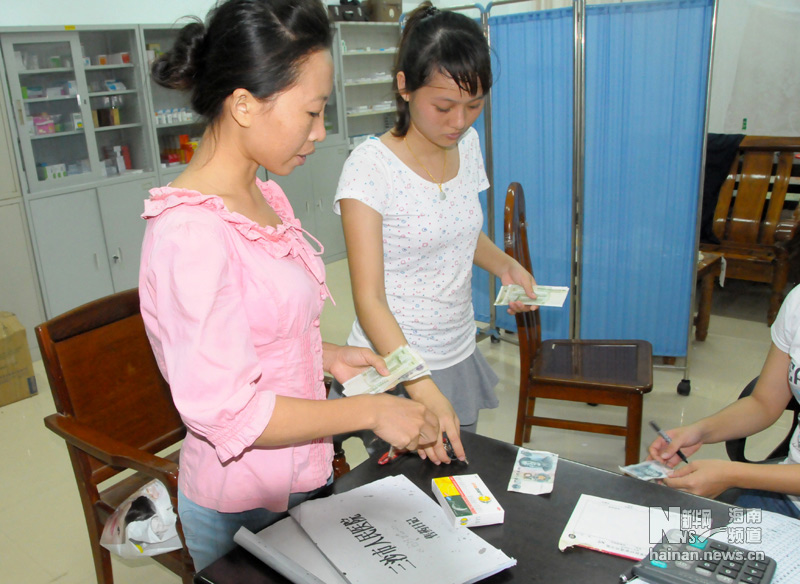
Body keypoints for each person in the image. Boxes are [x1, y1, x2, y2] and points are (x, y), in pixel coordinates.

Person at [139, 0, 441, 570]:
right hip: (241, 508)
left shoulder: (261, 193)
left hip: (303, 477)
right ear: (245, 105)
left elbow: (252, 331)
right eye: (312, 112)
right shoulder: (189, 234)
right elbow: (231, 412)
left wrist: (325, 357)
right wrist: (371, 412)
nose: (320, 132)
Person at [330, 2, 537, 464]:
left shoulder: (468, 145)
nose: (459, 122)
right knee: (404, 507)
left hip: (457, 351)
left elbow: (459, 234)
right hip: (397, 363)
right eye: (443, 106)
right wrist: (419, 384)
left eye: (474, 106)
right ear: (404, 86)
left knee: (456, 492)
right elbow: (370, 299)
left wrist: (505, 265)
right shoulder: (370, 170)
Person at [648, 284, 800, 519]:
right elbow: (764, 403)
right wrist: (699, 431)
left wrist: (732, 475)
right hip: (788, 494)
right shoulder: (798, 301)